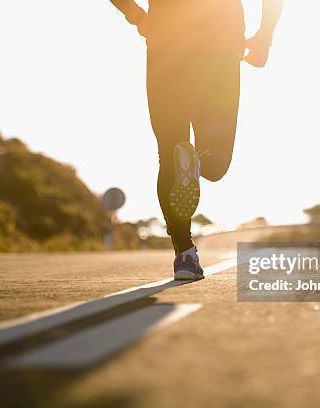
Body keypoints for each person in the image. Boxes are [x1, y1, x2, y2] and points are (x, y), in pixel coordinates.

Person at [110, 0, 284, 280]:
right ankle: (199, 161)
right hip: (219, 45)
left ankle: (185, 255)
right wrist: (264, 36)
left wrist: (137, 17)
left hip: (165, 45)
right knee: (216, 163)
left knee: (169, 152)